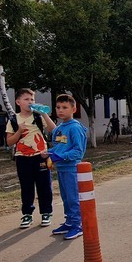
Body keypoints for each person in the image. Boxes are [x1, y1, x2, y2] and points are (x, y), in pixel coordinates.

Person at [6, 89, 57, 229]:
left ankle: (46, 212)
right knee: (26, 187)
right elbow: (10, 141)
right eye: (26, 99)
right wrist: (19, 131)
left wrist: (44, 114)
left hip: (40, 156)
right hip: (22, 158)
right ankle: (27, 214)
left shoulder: (39, 117)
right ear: (18, 102)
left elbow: (54, 130)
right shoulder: (13, 120)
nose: (30, 102)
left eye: (32, 99)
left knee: (44, 186)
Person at [49, 93, 88, 240]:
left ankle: (77, 225)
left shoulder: (74, 128)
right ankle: (69, 221)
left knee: (73, 198)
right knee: (65, 198)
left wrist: (62, 156)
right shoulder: (59, 128)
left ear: (73, 109)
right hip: (61, 169)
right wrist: (48, 153)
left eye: (65, 107)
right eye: (58, 107)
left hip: (72, 168)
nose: (60, 110)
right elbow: (59, 146)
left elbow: (78, 151)